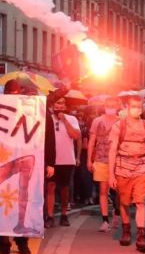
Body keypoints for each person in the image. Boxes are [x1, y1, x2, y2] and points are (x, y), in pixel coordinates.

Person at [0, 78, 36, 254]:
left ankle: (22, 241)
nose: (12, 97)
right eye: (10, 94)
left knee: (23, 200)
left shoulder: (30, 110)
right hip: (2, 160)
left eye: (15, 94)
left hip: (24, 158)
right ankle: (4, 245)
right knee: (3, 205)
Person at [108, 96, 145, 253]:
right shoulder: (118, 126)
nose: (137, 109)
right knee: (124, 202)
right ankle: (126, 229)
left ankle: (142, 235)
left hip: (141, 168)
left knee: (140, 202)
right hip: (122, 168)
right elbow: (112, 150)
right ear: (128, 107)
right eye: (134, 106)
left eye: (140, 106)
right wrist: (111, 174)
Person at [88, 97, 121, 232]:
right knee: (103, 190)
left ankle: (117, 212)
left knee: (118, 190)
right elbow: (91, 141)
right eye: (108, 105)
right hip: (101, 159)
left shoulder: (121, 121)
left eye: (113, 105)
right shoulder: (97, 121)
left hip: (118, 160)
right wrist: (89, 160)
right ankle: (105, 220)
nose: (110, 107)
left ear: (118, 106)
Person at [47, 97, 80, 227]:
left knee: (64, 189)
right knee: (50, 187)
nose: (59, 106)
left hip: (67, 159)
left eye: (62, 103)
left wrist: (64, 120)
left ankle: (64, 215)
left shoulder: (72, 119)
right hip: (51, 159)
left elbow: (76, 136)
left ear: (65, 106)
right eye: (57, 103)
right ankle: (50, 216)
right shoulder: (48, 118)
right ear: (52, 105)